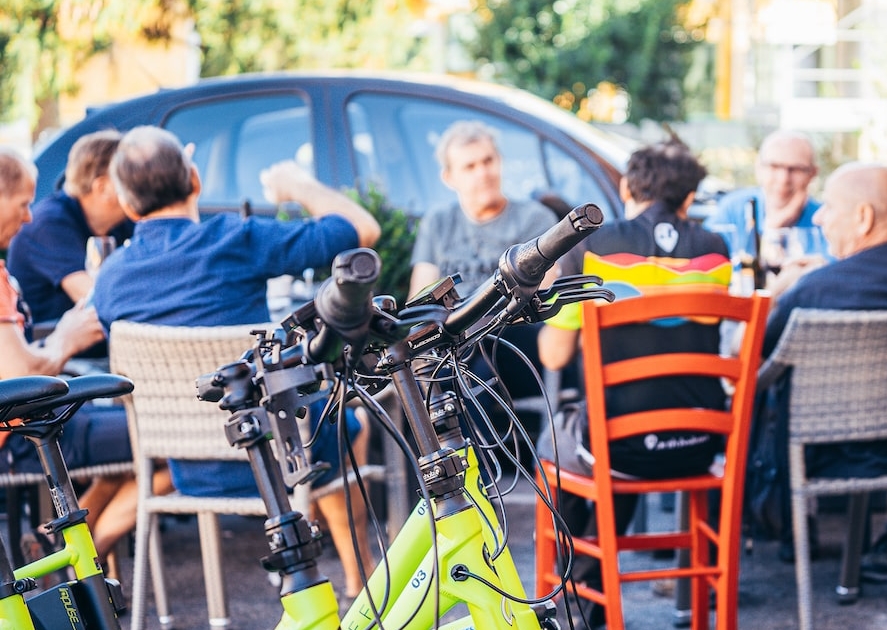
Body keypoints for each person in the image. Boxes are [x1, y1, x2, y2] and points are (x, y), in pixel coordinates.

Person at [92, 125, 382, 597]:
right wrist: (295, 185)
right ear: (195, 181)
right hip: (275, 454)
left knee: (314, 419)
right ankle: (359, 579)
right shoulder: (236, 239)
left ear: (126, 206)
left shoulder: (109, 280)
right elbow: (363, 231)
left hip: (188, 468)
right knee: (342, 420)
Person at [536, 139, 731, 628]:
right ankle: (588, 590)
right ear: (689, 199)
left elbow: (554, 354)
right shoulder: (716, 251)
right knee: (606, 434)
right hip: (699, 446)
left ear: (626, 187)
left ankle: (581, 592)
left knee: (560, 440)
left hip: (619, 451)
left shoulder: (589, 246)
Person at [762, 161, 887, 583]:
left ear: (864, 217)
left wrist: (774, 296)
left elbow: (760, 359)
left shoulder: (814, 291)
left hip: (822, 453)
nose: (818, 216)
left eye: (829, 206)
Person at [0, 147, 134, 557]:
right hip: (18, 435)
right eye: (23, 204)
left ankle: (78, 549)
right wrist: (66, 340)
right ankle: (83, 552)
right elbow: (16, 375)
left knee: (143, 434)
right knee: (173, 436)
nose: (28, 218)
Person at [408, 120, 560, 442]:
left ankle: (472, 467)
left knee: (477, 348)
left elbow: (544, 295)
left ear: (499, 162)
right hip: (454, 343)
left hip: (514, 339)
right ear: (449, 178)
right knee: (439, 358)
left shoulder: (535, 220)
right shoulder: (438, 223)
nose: (483, 173)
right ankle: (456, 463)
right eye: (470, 166)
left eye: (488, 161)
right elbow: (419, 300)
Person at [8, 130, 133, 329]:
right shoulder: (49, 224)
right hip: (51, 347)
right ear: (102, 187)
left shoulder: (120, 221)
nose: (139, 183)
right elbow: (95, 299)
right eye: (132, 176)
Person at [704, 129, 827, 275]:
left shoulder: (825, 219)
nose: (783, 179)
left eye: (795, 170)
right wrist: (773, 227)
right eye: (774, 167)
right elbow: (705, 264)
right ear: (759, 168)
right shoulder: (733, 208)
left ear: (813, 173)